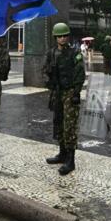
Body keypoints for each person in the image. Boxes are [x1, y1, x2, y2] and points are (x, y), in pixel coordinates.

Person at [42, 23, 85, 175]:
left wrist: (76, 92)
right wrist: (48, 80)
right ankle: (62, 154)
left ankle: (70, 160)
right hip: (57, 92)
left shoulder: (74, 53)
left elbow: (80, 73)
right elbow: (44, 70)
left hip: (69, 92)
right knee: (58, 122)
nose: (62, 38)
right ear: (55, 38)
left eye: (65, 35)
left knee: (70, 126)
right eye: (60, 36)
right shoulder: (51, 53)